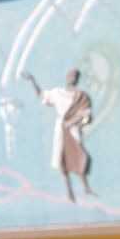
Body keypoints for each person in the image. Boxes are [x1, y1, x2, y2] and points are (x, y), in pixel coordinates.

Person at [21, 68, 95, 202]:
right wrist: (32, 80)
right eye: (70, 75)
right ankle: (69, 191)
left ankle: (85, 186)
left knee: (80, 156)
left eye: (74, 75)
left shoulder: (81, 96)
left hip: (72, 130)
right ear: (67, 77)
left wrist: (72, 122)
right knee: (62, 159)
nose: (72, 77)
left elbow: (86, 114)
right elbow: (42, 96)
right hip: (61, 130)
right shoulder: (58, 93)